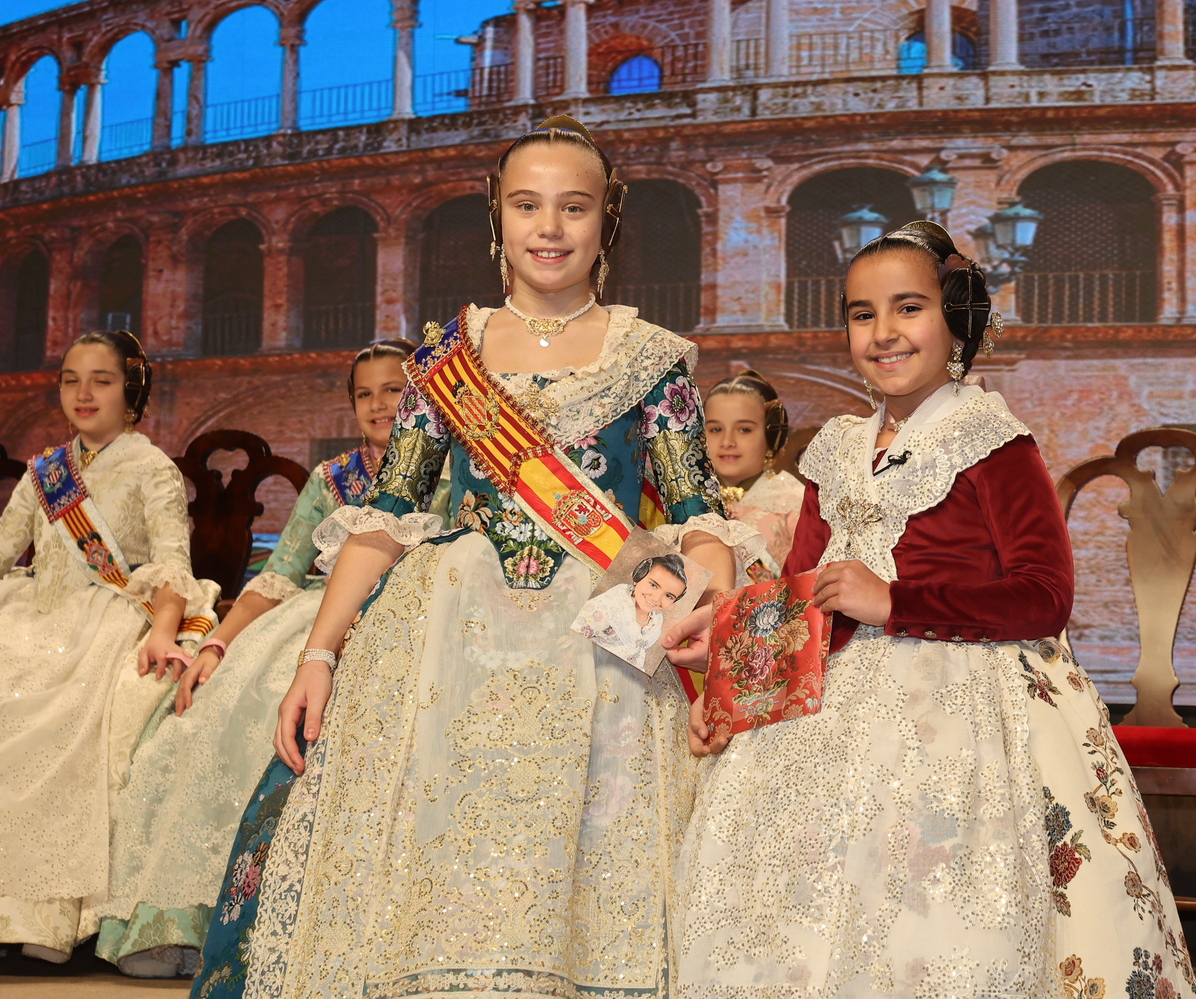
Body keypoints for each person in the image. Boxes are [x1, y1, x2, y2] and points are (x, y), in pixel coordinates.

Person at [196, 116, 744, 999]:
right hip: (448, 636)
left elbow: (697, 518)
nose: (550, 227)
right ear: (498, 217)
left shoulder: (653, 359)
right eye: (527, 205)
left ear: (607, 220)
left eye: (574, 207)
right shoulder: (446, 359)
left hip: (602, 642)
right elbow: (386, 520)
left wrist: (709, 616)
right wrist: (319, 656)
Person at [663, 221, 1196, 998]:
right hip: (827, 706)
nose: (883, 332)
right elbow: (800, 598)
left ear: (954, 318)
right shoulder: (833, 449)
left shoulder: (993, 440)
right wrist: (727, 670)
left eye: (907, 308)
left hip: (964, 705)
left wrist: (896, 602)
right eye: (863, 314)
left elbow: (1045, 596)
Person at [98, 340, 443, 978]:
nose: (378, 404)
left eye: (394, 390)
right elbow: (278, 575)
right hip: (314, 615)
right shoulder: (332, 479)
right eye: (364, 393)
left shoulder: (455, 470)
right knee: (226, 705)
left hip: (417, 615)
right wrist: (218, 644)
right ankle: (191, 919)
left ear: (423, 395)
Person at [0, 331, 220, 963]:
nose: (84, 393)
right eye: (71, 379)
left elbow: (173, 564)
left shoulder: (151, 468)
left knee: (57, 714)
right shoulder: (45, 473)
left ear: (132, 391)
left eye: (101, 380)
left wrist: (162, 629)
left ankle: (44, 919)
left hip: (109, 616)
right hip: (33, 613)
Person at [705, 369, 804, 577]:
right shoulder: (685, 501)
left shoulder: (796, 504)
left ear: (771, 435)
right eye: (715, 429)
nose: (727, 442)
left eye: (744, 430)